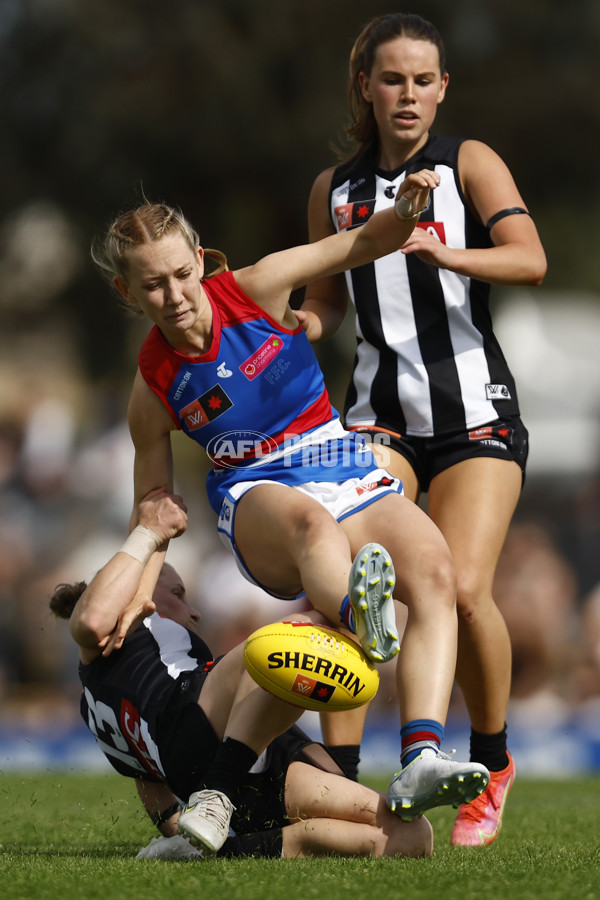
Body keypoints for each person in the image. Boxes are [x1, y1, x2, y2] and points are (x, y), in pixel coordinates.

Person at [90, 179, 490, 832]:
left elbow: (364, 241)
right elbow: (153, 507)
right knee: (315, 528)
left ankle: (419, 756)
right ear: (127, 292)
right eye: (154, 285)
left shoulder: (258, 285)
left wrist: (408, 210)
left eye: (182, 273)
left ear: (200, 257)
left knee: (436, 573)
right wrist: (137, 586)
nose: (175, 295)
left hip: (334, 456)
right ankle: (365, 617)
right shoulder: (153, 386)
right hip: (255, 491)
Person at [298, 12, 547, 846]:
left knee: (466, 591)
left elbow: (530, 257)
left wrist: (449, 256)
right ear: (365, 87)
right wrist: (294, 323)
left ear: (444, 89)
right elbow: (327, 301)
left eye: (423, 80)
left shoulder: (467, 163)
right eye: (392, 79)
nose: (408, 95)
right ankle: (342, 774)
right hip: (377, 417)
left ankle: (492, 759)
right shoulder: (333, 190)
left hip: (475, 412)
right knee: (357, 572)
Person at [50, 486, 433, 860]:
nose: (194, 611)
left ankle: (254, 841)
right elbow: (93, 617)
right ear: (135, 592)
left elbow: (152, 789)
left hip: (220, 760)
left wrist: (180, 836)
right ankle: (352, 616)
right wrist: (148, 531)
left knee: (413, 835)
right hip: (195, 723)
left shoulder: (98, 703)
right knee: (292, 638)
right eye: (179, 594)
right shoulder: (123, 627)